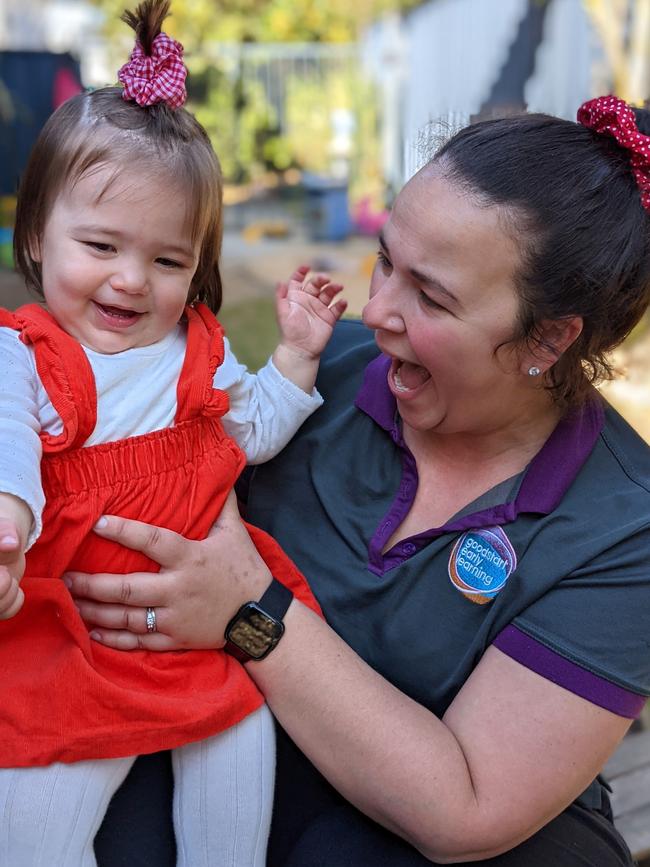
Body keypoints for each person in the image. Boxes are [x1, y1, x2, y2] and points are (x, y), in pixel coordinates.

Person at [69, 95, 650, 867]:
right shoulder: (311, 380)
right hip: (241, 741)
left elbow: (466, 808)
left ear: (548, 337)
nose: (375, 311)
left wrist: (252, 606)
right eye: (385, 260)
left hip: (478, 833)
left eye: (431, 296)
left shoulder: (622, 527)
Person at [0, 1, 347, 864]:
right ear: (38, 234)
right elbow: (4, 430)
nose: (131, 280)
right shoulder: (27, 355)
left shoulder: (197, 352)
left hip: (209, 638)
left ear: (197, 264)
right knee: (36, 837)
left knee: (232, 832)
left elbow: (248, 434)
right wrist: (8, 508)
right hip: (82, 641)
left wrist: (297, 359)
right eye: (102, 245)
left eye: (166, 259)